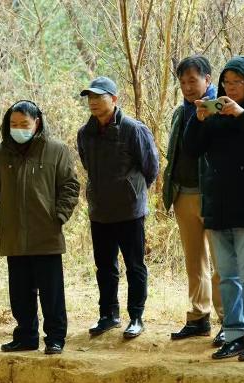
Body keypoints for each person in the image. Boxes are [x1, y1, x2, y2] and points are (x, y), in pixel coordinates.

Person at [183, 56, 244, 361]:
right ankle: (234, 334)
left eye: (237, 82)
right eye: (226, 82)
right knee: (227, 276)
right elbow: (191, 149)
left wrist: (242, 115)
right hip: (217, 206)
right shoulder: (215, 115)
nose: (231, 88)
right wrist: (198, 120)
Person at [0, 100, 80, 355]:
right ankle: (25, 336)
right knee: (20, 292)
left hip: (46, 233)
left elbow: (70, 185)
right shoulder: (0, 153)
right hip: (13, 233)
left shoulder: (56, 150)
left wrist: (59, 216)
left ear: (37, 123)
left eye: (24, 124)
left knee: (51, 292)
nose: (18, 129)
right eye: (14, 124)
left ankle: (55, 338)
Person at [76, 76, 160, 340]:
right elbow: (87, 165)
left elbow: (151, 167)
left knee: (135, 265)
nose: (93, 102)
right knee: (104, 266)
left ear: (113, 99)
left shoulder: (133, 129)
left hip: (129, 211)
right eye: (90, 98)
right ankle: (108, 315)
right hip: (100, 210)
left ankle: (136, 316)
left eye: (98, 97)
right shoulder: (85, 133)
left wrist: (132, 190)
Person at [162, 56, 225, 343]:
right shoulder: (180, 112)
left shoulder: (219, 108)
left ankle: (228, 320)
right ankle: (199, 317)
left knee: (221, 262)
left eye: (193, 80)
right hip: (183, 194)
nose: (187, 87)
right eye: (183, 82)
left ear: (208, 79)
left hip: (212, 195)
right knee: (194, 261)